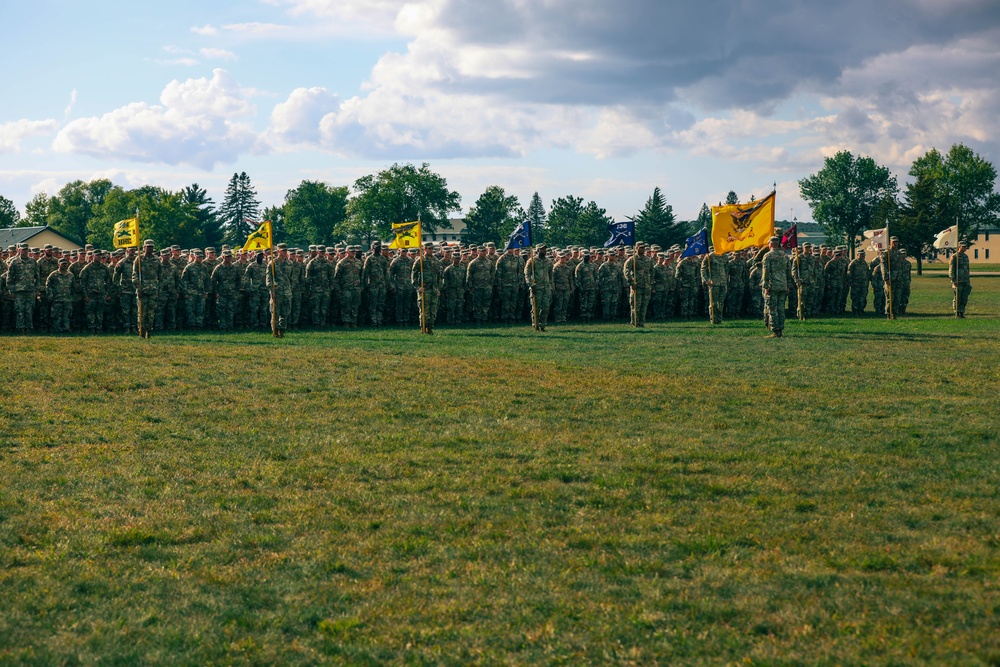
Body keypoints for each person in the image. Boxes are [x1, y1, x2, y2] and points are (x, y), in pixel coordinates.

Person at [761, 236, 793, 338]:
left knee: (772, 308)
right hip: (783, 285)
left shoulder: (768, 256)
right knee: (781, 308)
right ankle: (781, 329)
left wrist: (765, 285)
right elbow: (789, 271)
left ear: (770, 244)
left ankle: (775, 330)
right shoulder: (784, 255)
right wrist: (788, 284)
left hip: (773, 285)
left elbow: (766, 271)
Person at [524, 244, 554, 331]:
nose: (544, 251)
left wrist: (551, 286)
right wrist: (531, 285)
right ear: (538, 250)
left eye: (545, 249)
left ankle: (543, 325)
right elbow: (527, 274)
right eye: (542, 250)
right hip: (536, 288)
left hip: (546, 288)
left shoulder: (548, 261)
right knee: (535, 308)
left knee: (545, 307)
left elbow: (551, 275)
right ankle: (535, 325)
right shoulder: (532, 261)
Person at [949, 241, 972, 318]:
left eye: (965, 246)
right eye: (963, 246)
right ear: (959, 247)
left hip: (965, 280)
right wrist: (953, 280)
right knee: (957, 297)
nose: (965, 248)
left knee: (964, 297)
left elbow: (967, 269)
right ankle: (957, 312)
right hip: (958, 281)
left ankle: (962, 311)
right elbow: (951, 269)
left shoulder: (966, 256)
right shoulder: (955, 256)